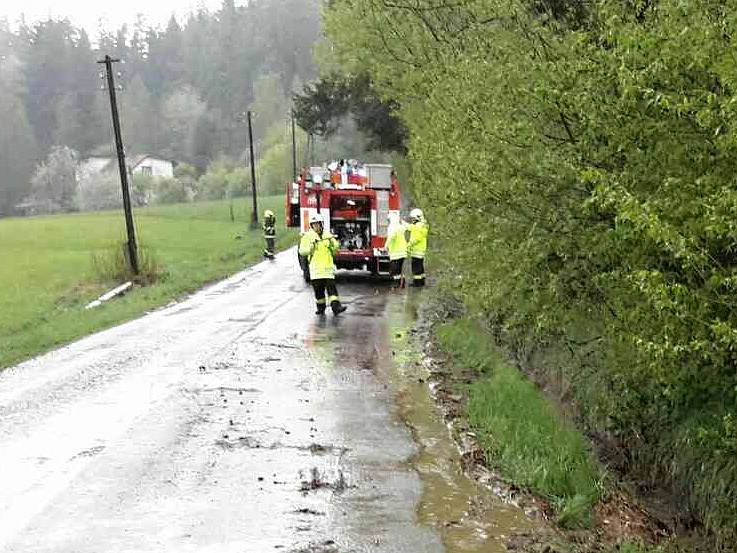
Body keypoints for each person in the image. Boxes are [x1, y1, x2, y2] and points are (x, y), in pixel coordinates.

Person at [298, 213, 347, 316]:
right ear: (311, 225)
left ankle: (336, 307)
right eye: (314, 224)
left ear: (321, 224)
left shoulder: (328, 236)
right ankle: (321, 308)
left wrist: (334, 245)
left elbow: (335, 249)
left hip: (328, 270)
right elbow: (302, 251)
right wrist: (310, 249)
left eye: (318, 224)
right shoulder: (307, 237)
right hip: (316, 271)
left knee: (332, 290)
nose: (316, 226)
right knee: (319, 292)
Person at [407, 208, 429, 287]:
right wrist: (403, 223)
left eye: (413, 218)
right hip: (421, 249)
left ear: (417, 217)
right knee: (420, 266)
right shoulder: (421, 224)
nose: (412, 220)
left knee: (416, 267)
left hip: (417, 250)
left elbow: (416, 238)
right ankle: (422, 281)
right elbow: (410, 227)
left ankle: (417, 283)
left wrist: (409, 245)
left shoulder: (419, 226)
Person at [385, 212, 408, 288]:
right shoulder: (400, 227)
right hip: (403, 252)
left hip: (395, 253)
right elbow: (407, 227)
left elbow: (391, 237)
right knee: (400, 269)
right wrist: (403, 222)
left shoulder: (392, 227)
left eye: (389, 220)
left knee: (395, 270)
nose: (388, 221)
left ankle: (396, 284)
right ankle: (403, 284)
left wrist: (385, 246)